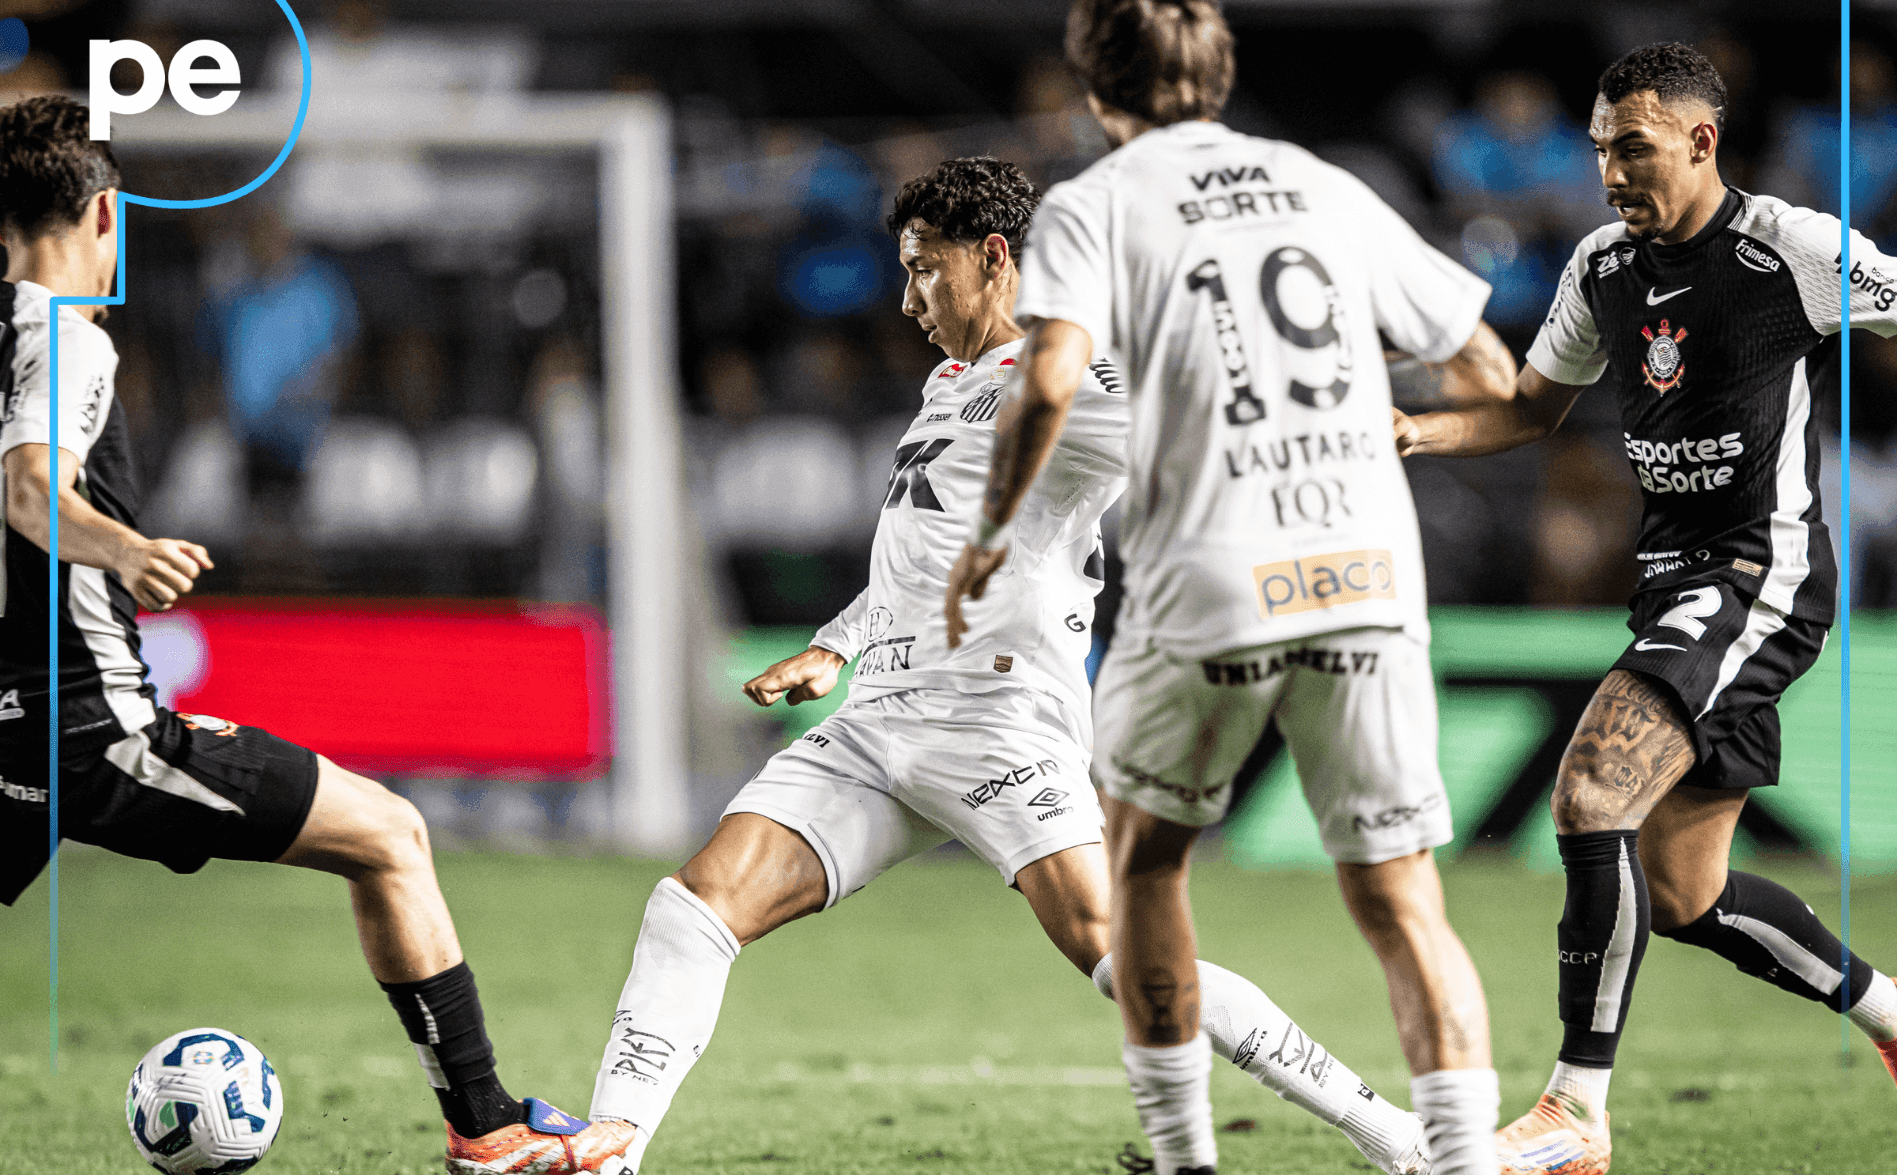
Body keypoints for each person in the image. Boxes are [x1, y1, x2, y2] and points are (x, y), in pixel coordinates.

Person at [585, 157, 1434, 1175]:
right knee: (694, 905)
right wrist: (835, 645)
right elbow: (925, 557)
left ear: (994, 259)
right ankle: (611, 1150)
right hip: (875, 725)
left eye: (924, 271)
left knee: (1124, 960)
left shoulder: (1069, 375)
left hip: (997, 725)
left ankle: (1395, 1136)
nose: (906, 300)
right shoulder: (950, 382)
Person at [945, 0, 1515, 1175]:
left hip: (1210, 575)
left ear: (1097, 81)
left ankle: (1184, 1156)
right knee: (1403, 899)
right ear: (1222, 69)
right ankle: (1465, 1164)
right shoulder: (1328, 186)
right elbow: (1489, 378)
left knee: (1146, 862)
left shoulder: (1094, 204)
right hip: (1364, 569)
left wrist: (991, 532)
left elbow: (1048, 379)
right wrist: (1383, 415)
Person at [0, 95, 635, 1175]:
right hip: (89, 725)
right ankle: (486, 1129)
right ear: (108, 213)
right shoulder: (68, 340)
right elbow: (28, 488)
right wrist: (121, 547)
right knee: (390, 836)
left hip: (12, 722)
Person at [1393, 42, 1899, 1175]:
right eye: (1598, 151)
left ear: (1700, 140)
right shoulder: (1600, 267)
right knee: (1683, 892)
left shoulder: (1795, 251)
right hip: (1673, 583)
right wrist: (1415, 431)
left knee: (1586, 796)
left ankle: (1574, 1112)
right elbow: (1529, 409)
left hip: (1756, 577)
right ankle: (1890, 1013)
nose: (1610, 171)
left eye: (1632, 147)